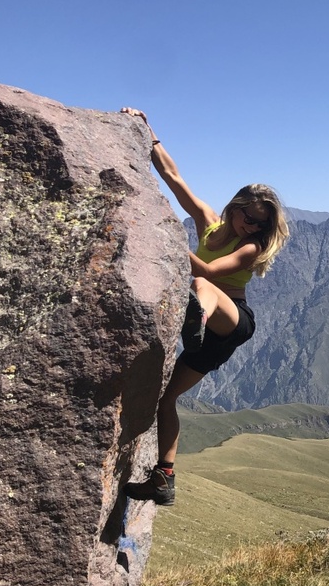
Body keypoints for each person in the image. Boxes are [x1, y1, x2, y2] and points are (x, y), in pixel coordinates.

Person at [120, 107, 290, 506]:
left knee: (201, 283)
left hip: (233, 321)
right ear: (236, 207)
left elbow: (211, 271)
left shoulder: (251, 248)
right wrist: (148, 132)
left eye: (261, 224)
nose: (254, 227)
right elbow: (173, 177)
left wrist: (167, 240)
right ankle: (164, 478)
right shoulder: (209, 222)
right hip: (208, 334)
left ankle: (195, 316)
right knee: (166, 399)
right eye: (250, 217)